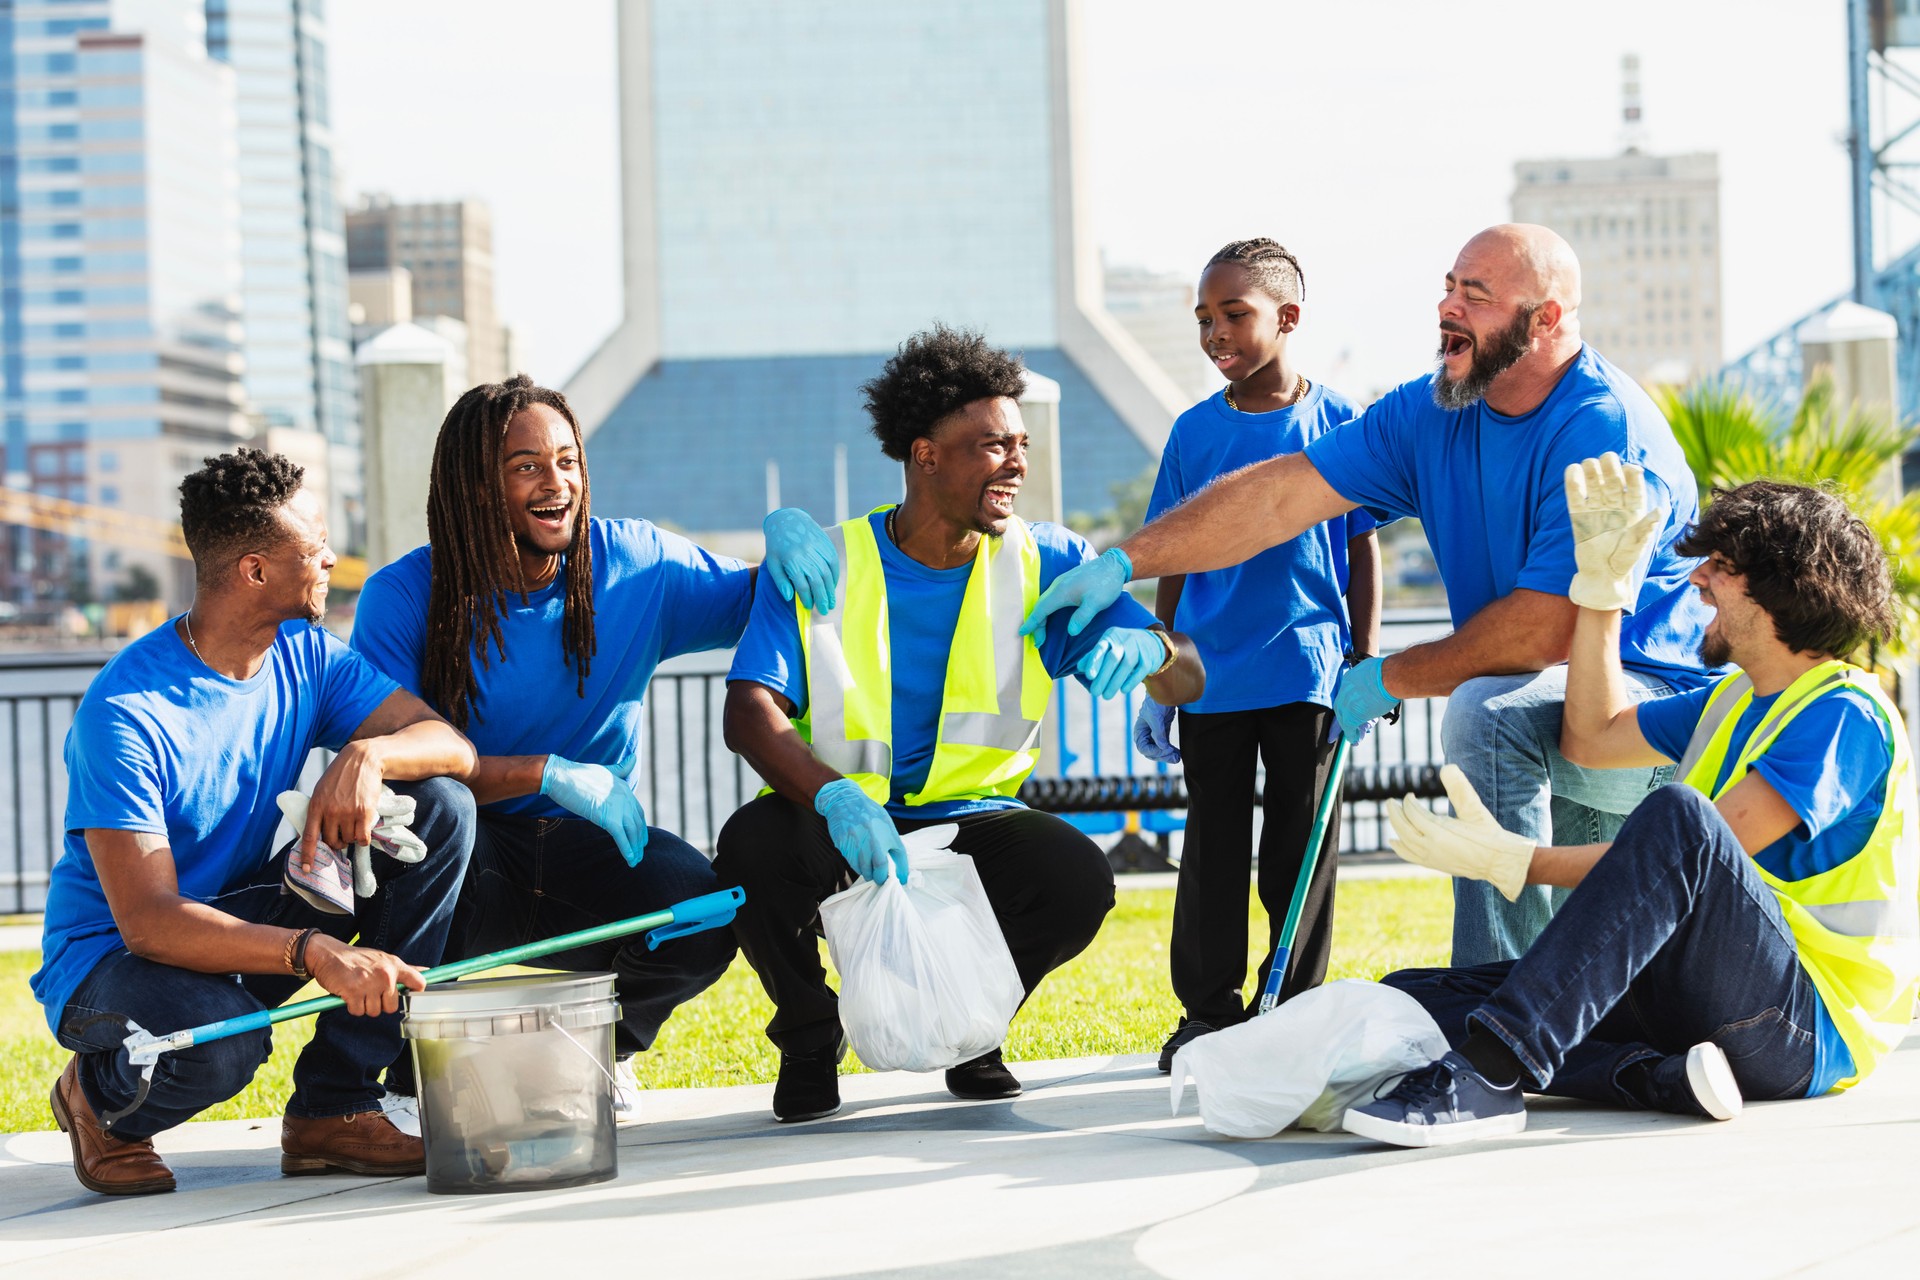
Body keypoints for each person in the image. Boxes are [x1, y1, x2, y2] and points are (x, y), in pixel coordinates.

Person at [1023, 223, 1713, 966]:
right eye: (1448, 287)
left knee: (1487, 715)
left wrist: (1388, 673)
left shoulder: (1603, 428)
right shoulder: (1431, 411)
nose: (1448, 308)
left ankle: (1490, 1009)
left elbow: (1544, 631)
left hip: (1648, 729)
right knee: (1600, 1007)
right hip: (1548, 713)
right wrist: (1124, 562)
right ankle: (1518, 1013)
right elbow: (1277, 498)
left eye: (1474, 296)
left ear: (1545, 320)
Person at [1341, 462, 1916, 1147]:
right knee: (1419, 995)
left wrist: (1523, 861)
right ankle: (1658, 1078)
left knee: (1681, 816)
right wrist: (1601, 596)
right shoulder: (1732, 701)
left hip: (1803, 1027)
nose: (1697, 580)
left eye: (1720, 566)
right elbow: (1591, 737)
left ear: (1779, 588)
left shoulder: (1845, 711)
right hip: (1712, 995)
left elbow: (1703, 847)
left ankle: (1493, 1076)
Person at [714, 326, 1206, 1122]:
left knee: (1077, 877)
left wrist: (1152, 646)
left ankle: (973, 1027)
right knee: (751, 848)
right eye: (990, 446)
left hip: (975, 821)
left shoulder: (1045, 561)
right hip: (845, 813)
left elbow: (1190, 673)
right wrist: (837, 798)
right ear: (925, 455)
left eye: (1019, 444)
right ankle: (809, 1035)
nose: (1016, 461)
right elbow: (748, 713)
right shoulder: (825, 562)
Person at [351, 374, 838, 1127]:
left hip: (589, 848)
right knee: (425, 822)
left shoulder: (635, 565)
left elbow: (767, 598)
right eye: (526, 466)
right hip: (466, 856)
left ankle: (595, 1058)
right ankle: (410, 1081)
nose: (558, 484)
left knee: (705, 910)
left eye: (569, 460)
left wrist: (786, 534)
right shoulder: (405, 595)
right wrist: (542, 773)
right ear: (478, 487)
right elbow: (389, 773)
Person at [33, 448, 479, 1195]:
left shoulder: (306, 653)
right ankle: (97, 1101)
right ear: (254, 571)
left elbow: (451, 746)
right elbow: (147, 922)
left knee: (438, 810)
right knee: (220, 1050)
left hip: (231, 915)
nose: (334, 557)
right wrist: (314, 952)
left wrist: (367, 756)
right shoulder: (126, 716)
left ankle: (334, 1108)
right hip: (112, 961)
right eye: (315, 546)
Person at [1133, 239, 1381, 1071]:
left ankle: (1296, 1009)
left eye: (1233, 314)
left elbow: (1362, 548)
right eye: (1204, 319)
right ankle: (1207, 1014)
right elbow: (1168, 553)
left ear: (1289, 317)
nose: (1215, 333)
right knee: (1212, 850)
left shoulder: (1338, 421)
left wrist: (1368, 660)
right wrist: (1164, 680)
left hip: (1309, 670)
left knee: (1299, 849)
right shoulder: (1194, 434)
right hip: (1212, 676)